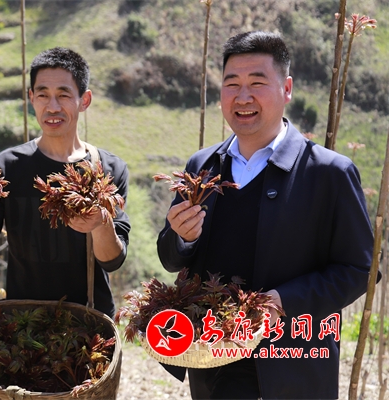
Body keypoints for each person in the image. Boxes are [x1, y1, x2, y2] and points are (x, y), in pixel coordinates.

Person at [156, 31, 376, 399]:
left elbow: (359, 270)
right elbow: (170, 257)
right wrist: (182, 238)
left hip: (291, 366)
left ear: (286, 88)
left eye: (257, 83)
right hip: (213, 362)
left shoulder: (329, 172)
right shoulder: (203, 166)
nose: (243, 97)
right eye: (232, 84)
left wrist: (283, 301)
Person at [0, 47, 131, 318]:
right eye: (43, 95)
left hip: (89, 322)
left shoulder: (108, 169)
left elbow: (112, 260)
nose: (53, 107)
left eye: (64, 95)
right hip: (24, 324)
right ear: (31, 98)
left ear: (84, 100)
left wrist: (100, 223)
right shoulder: (8, 167)